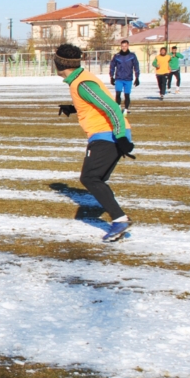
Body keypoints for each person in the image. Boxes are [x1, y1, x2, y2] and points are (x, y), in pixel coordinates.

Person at [53, 43, 134, 242]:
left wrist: (121, 137)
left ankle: (120, 219)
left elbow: (112, 108)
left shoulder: (82, 83)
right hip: (107, 134)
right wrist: (73, 109)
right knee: (97, 179)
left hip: (108, 135)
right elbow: (94, 104)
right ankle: (119, 217)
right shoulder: (79, 80)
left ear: (59, 64)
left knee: (90, 178)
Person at [108, 40, 140, 113]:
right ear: (121, 46)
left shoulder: (132, 56)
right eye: (122, 46)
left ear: (128, 46)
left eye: (125, 46)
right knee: (118, 93)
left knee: (127, 95)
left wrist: (137, 77)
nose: (124, 47)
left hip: (128, 79)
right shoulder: (117, 56)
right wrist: (111, 77)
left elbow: (136, 66)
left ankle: (126, 109)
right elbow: (112, 66)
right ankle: (118, 107)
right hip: (119, 78)